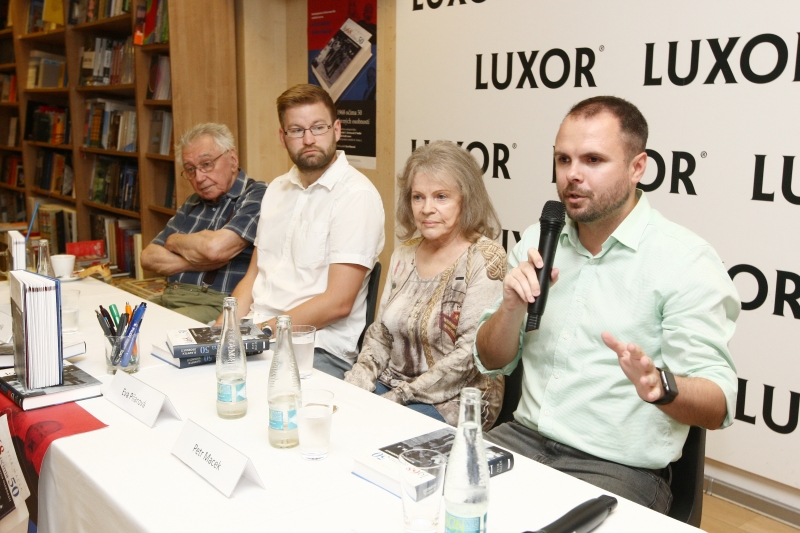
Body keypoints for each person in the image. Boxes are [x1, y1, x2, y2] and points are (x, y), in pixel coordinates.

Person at [475, 96, 739, 512]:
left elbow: (719, 403)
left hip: (617, 468)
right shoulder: (537, 241)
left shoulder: (685, 261)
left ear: (638, 167)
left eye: (593, 160)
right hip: (521, 440)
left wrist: (661, 386)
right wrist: (510, 309)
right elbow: (491, 359)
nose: (572, 175)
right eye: (563, 160)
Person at [345, 141, 506, 428]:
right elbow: (381, 335)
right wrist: (355, 385)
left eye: (441, 197)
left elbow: (468, 357)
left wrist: (395, 399)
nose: (427, 209)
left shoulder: (486, 258)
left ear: (466, 200)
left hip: (459, 398)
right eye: (418, 197)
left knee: (375, 430)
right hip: (393, 386)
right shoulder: (404, 253)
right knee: (341, 419)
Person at [229, 84, 384, 379]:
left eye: (318, 127)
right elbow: (253, 276)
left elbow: (338, 303)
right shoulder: (276, 189)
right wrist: (222, 331)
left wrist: (259, 334)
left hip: (316, 347)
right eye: (297, 130)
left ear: (336, 130)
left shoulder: (356, 196)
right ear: (282, 137)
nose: (309, 139)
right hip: (258, 333)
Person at [141, 123, 266, 323]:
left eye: (207, 164)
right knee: (122, 323)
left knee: (151, 327)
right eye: (190, 170)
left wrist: (176, 244)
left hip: (216, 303)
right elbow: (148, 257)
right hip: (171, 297)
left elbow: (215, 249)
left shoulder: (257, 195)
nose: (199, 178)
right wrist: (194, 259)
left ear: (232, 160)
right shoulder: (193, 202)